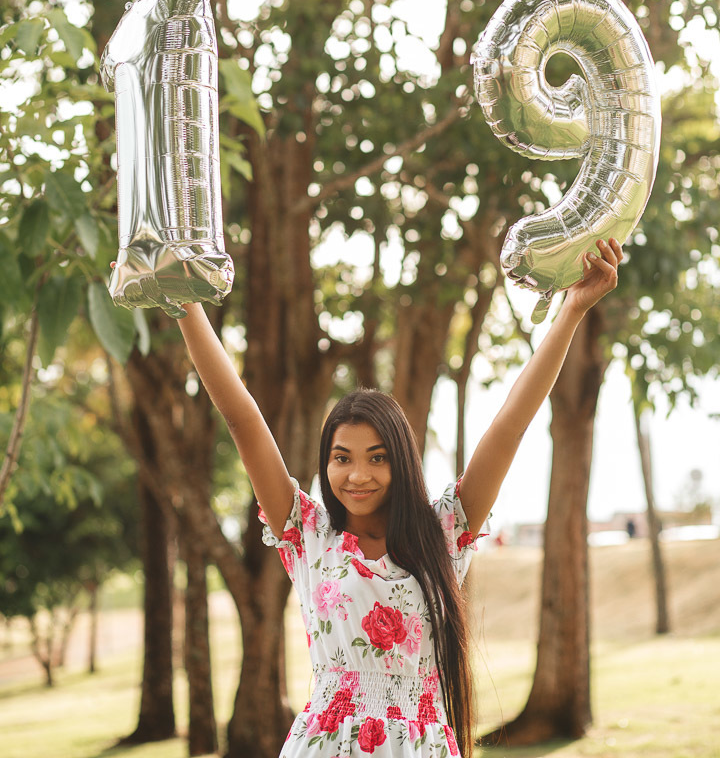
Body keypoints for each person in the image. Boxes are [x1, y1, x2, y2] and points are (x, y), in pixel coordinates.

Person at [177, 237, 623, 757]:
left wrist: (570, 312)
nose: (358, 474)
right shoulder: (307, 535)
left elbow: (510, 426)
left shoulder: (443, 534)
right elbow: (243, 420)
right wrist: (185, 302)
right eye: (342, 457)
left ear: (402, 462)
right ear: (326, 463)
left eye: (378, 456)